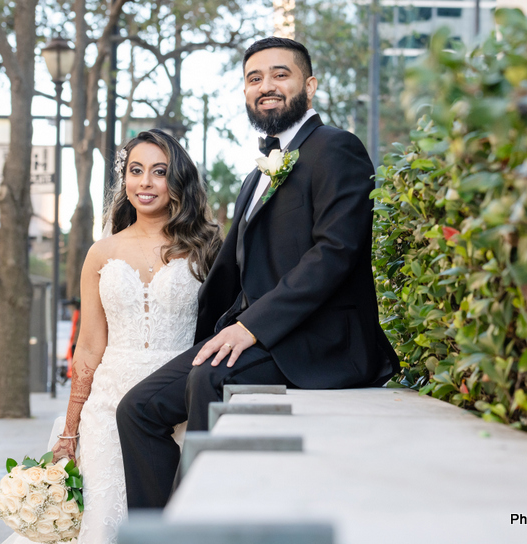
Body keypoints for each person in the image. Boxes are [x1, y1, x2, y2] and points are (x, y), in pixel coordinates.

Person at [117, 36, 400, 510]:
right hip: (258, 335)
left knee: (209, 379)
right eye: (254, 79)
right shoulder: (256, 174)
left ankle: (203, 523)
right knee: (136, 409)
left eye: (279, 74)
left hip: (318, 340)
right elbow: (232, 269)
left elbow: (335, 252)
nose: (265, 86)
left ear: (309, 86)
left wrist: (251, 327)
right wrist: (205, 327)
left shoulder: (336, 149)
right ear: (246, 93)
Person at [2, 129, 221, 544]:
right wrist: (70, 429)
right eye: (136, 171)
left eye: (159, 172)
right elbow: (88, 346)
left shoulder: (205, 247)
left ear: (178, 180)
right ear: (124, 180)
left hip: (178, 400)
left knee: (171, 521)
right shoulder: (102, 252)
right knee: (105, 518)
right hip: (106, 403)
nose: (146, 183)